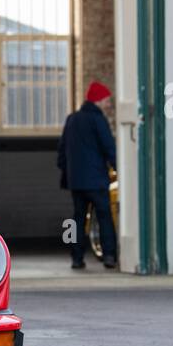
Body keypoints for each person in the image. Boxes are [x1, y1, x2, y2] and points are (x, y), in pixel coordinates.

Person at [58, 80, 118, 269]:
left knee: (77, 218)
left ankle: (76, 258)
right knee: (104, 216)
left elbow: (62, 149)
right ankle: (109, 255)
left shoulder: (72, 119)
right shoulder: (98, 120)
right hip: (96, 180)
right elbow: (108, 146)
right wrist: (118, 167)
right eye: (107, 100)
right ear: (98, 100)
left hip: (76, 181)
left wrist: (66, 170)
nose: (109, 104)